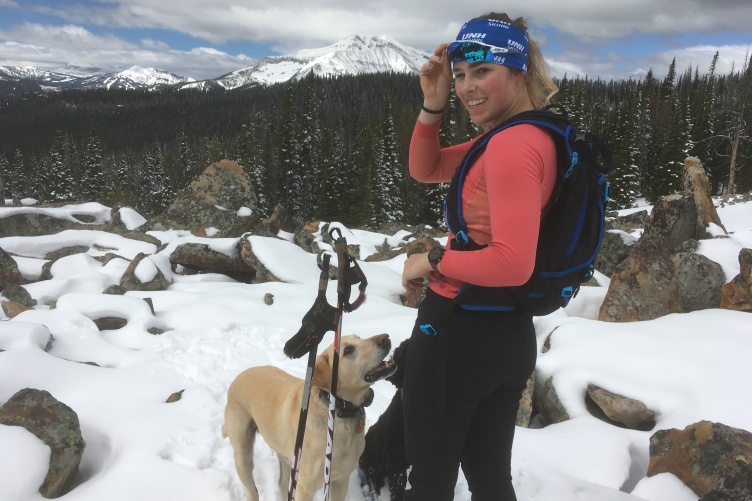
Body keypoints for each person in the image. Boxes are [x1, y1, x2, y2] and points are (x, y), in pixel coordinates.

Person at [400, 12, 559, 501]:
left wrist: (431, 261)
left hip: (460, 333)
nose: (468, 87)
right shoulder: (529, 134)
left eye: (482, 72)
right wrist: (433, 103)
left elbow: (512, 261)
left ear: (517, 71)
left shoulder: (512, 145)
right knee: (490, 479)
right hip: (505, 334)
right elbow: (426, 169)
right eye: (461, 74)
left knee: (429, 482)